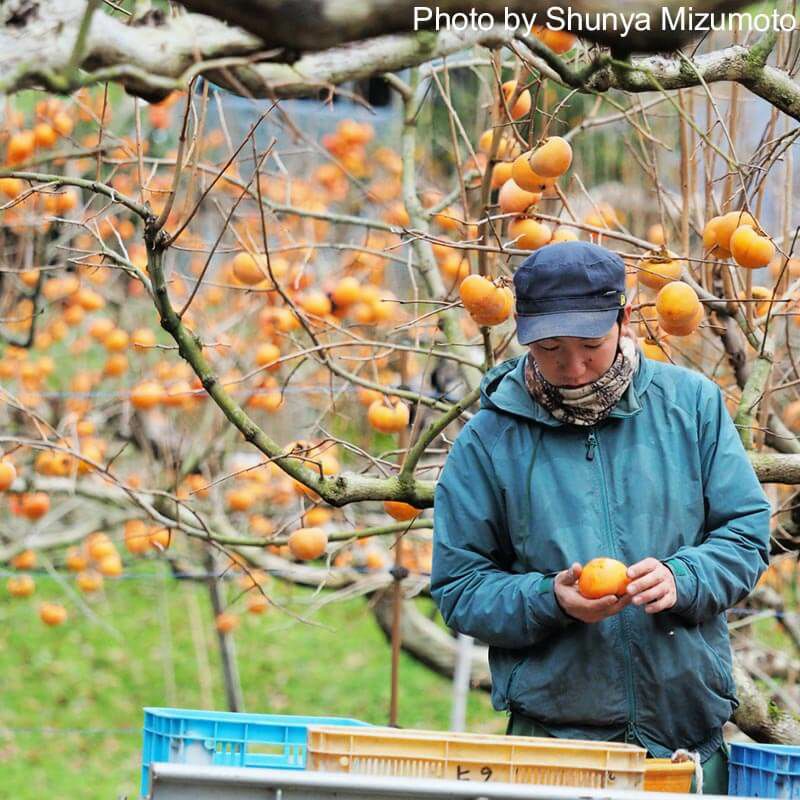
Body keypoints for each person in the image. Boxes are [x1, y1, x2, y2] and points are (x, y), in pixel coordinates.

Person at [431, 241, 770, 794]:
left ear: (625, 319)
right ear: (522, 333)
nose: (573, 366)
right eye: (549, 349)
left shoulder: (693, 407)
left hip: (684, 742)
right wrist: (551, 600)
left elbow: (745, 534)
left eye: (591, 344)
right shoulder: (489, 441)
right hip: (553, 749)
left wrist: (685, 577)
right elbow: (459, 587)